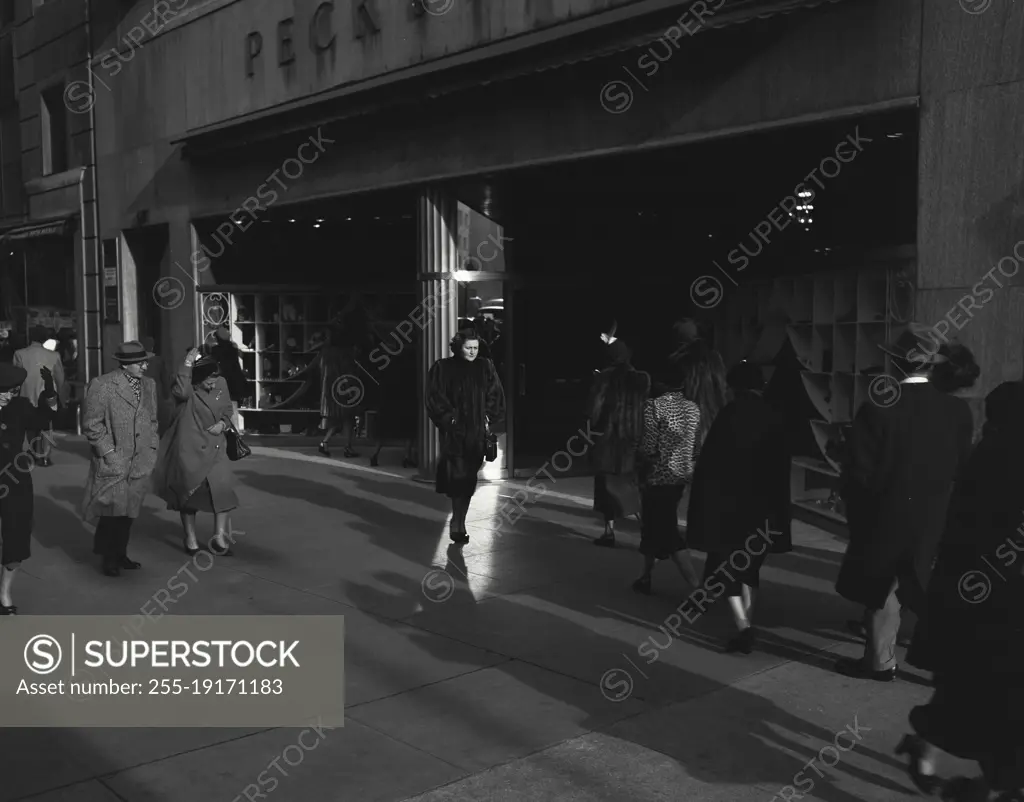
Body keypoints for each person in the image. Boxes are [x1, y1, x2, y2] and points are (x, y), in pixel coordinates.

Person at [894, 381, 1024, 801]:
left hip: (982, 604)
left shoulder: (989, 455)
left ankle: (956, 773)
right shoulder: (1001, 460)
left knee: (967, 696)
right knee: (987, 702)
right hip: (996, 609)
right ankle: (980, 785)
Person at [834, 327, 977, 681]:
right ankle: (942, 661)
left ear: (896, 362)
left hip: (884, 515)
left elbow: (859, 474)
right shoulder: (958, 410)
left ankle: (880, 662)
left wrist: (853, 509)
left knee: (883, 587)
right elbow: (962, 468)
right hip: (934, 516)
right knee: (921, 587)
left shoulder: (878, 408)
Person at [685, 360, 792, 653]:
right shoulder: (774, 416)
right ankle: (748, 620)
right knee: (750, 569)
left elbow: (712, 466)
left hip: (730, 508)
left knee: (725, 568)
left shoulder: (730, 415)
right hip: (764, 507)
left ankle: (743, 627)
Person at [80, 340, 160, 577]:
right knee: (112, 511)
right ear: (125, 365)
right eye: (139, 363)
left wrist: (152, 447)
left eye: (145, 361)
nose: (144, 366)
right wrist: (109, 453)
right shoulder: (103, 385)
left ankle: (120, 553)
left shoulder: (149, 385)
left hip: (141, 459)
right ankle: (108, 557)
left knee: (129, 511)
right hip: (114, 458)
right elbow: (91, 425)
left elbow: (152, 419)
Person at [153, 348, 238, 556]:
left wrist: (223, 424)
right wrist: (188, 362)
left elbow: (228, 409)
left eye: (214, 379)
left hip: (216, 445)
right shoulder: (187, 389)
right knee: (189, 493)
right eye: (208, 380)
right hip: (189, 446)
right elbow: (181, 390)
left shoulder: (221, 384)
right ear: (197, 378)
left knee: (223, 489)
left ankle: (219, 538)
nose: (212, 384)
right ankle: (190, 537)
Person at [425, 329, 505, 544]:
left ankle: (459, 520)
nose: (472, 352)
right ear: (458, 347)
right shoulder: (443, 368)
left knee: (469, 478)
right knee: (458, 477)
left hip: (477, 432)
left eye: (475, 348)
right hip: (455, 433)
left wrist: (488, 415)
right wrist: (450, 419)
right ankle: (457, 522)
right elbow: (434, 397)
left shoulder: (485, 366)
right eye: (468, 348)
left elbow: (495, 393)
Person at [633, 361, 702, 594]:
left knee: (666, 531)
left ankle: (697, 588)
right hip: (681, 475)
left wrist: (639, 459)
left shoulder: (653, 406)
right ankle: (644, 577)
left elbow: (648, 445)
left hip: (658, 476)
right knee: (654, 525)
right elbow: (695, 446)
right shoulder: (693, 408)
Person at [0, 363, 59, 613]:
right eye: (3, 391)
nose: (8, 396)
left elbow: (46, 418)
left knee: (17, 535)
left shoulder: (20, 406)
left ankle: (4, 594)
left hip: (14, 478)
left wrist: (49, 390)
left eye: (13, 391)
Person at [588, 335, 650, 547]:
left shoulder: (604, 379)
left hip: (609, 439)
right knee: (631, 486)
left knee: (606, 487)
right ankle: (647, 532)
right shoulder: (641, 380)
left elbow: (594, 411)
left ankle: (609, 533)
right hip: (631, 440)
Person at [13, 326, 64, 466]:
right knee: (47, 426)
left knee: (29, 426)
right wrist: (61, 397)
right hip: (47, 396)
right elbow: (60, 378)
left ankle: (34, 452)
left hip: (26, 395)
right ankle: (45, 455)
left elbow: (16, 378)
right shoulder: (54, 355)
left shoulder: (20, 354)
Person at [318, 328, 361, 458]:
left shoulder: (325, 353)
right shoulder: (345, 353)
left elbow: (321, 369)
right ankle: (347, 447)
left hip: (328, 389)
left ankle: (325, 442)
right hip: (342, 388)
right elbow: (349, 371)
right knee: (348, 418)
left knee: (338, 419)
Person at [209, 326, 248, 432]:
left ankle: (225, 428)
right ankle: (234, 429)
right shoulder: (233, 348)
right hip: (234, 380)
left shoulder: (215, 350)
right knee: (233, 405)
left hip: (222, 380)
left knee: (220, 405)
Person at [140, 335, 174, 436]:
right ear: (152, 347)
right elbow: (165, 380)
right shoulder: (158, 361)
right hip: (156, 394)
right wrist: (167, 395)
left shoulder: (138, 361)